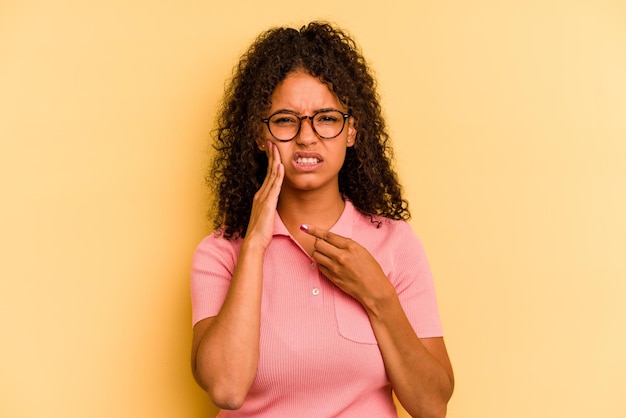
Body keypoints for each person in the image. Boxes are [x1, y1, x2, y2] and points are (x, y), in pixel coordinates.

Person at [190, 21, 454, 417]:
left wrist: (378, 295)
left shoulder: (395, 243)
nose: (307, 137)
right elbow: (226, 390)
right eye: (284, 120)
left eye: (326, 118)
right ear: (261, 136)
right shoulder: (220, 254)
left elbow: (432, 406)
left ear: (351, 131)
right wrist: (256, 246)